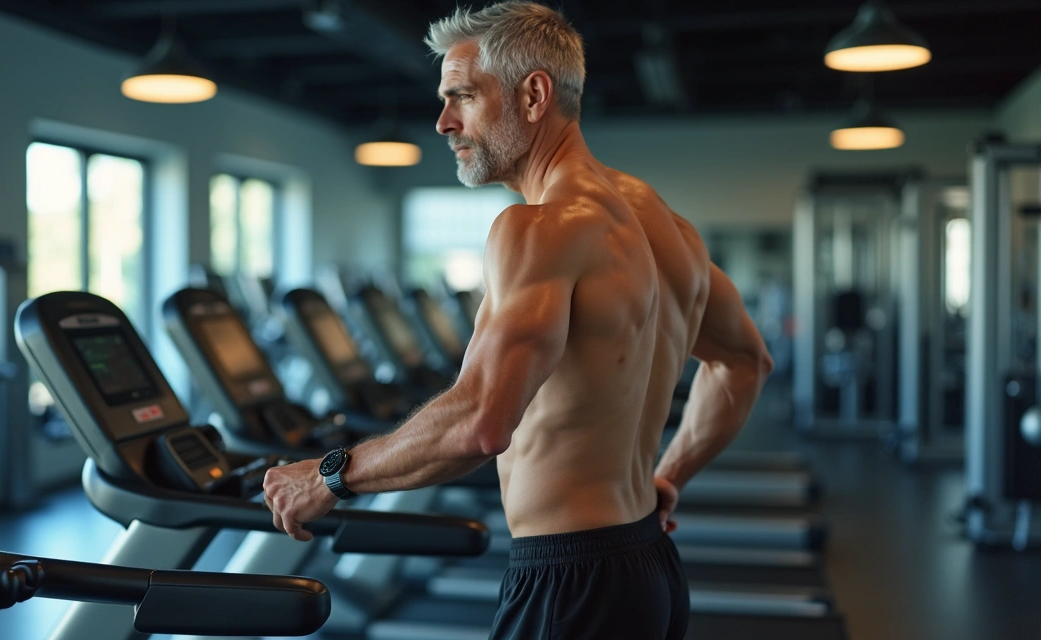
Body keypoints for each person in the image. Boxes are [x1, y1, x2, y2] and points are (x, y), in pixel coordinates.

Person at [263, 2, 774, 638]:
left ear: (534, 95)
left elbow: (480, 423)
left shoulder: (536, 229)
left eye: (462, 98)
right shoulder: (664, 227)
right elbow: (745, 363)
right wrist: (668, 475)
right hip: (647, 563)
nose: (443, 121)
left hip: (574, 578)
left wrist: (328, 476)